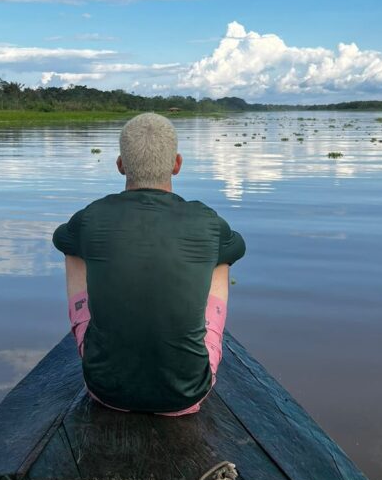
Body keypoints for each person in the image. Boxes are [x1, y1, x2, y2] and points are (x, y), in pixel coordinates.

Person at [52, 112, 245, 415]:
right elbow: (238, 249)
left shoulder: (91, 216)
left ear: (120, 165)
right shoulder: (207, 219)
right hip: (187, 394)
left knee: (73, 248)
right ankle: (201, 333)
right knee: (222, 257)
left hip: (105, 391)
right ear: (177, 164)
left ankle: (90, 324)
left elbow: (60, 239)